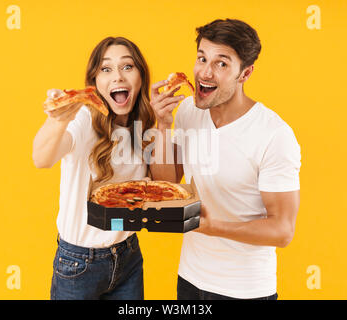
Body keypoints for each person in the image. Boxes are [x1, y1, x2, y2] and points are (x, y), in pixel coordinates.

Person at [149, 19, 301, 300]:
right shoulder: (187, 111)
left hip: (244, 290)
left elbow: (282, 230)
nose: (205, 72)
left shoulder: (274, 134)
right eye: (202, 58)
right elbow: (167, 183)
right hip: (190, 279)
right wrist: (161, 125)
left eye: (222, 63)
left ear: (245, 73)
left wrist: (210, 226)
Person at [32, 37, 155, 300]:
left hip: (128, 253)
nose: (118, 77)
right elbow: (41, 159)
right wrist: (57, 121)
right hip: (78, 262)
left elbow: (156, 188)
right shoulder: (84, 119)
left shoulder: (144, 124)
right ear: (95, 82)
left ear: (141, 76)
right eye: (106, 69)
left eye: (128, 67)